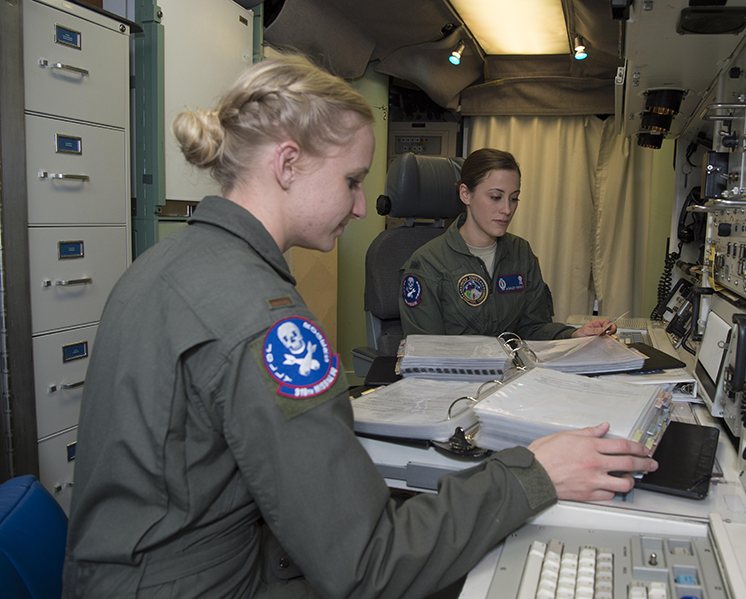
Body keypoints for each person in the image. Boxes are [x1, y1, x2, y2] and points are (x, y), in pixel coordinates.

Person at [62, 54, 656, 599]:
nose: (356, 205)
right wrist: (534, 474)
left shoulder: (156, 268)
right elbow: (367, 564)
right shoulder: (268, 324)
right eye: (351, 180)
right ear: (288, 163)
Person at [399, 148, 617, 340]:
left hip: (512, 378)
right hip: (457, 381)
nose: (507, 209)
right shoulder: (426, 264)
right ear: (466, 194)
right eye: (496, 197)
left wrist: (574, 334)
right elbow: (426, 352)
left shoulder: (520, 253)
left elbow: (532, 328)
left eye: (514, 198)